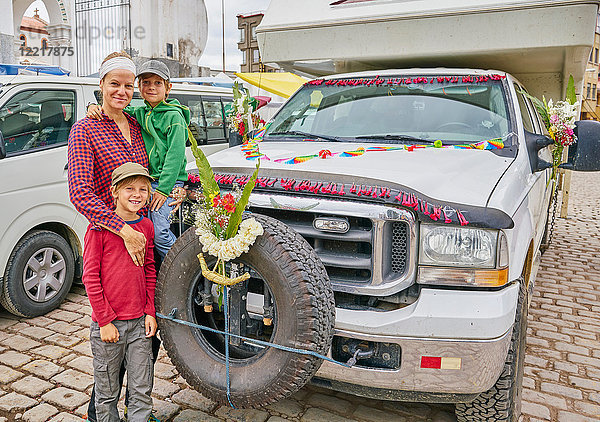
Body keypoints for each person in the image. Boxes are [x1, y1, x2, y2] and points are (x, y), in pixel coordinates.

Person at [67, 51, 162, 422]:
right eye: (114, 84)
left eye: (127, 85)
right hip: (110, 237)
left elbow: (148, 171)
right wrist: (122, 229)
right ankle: (100, 412)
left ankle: (137, 406)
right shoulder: (85, 128)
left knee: (143, 332)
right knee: (112, 341)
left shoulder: (136, 125)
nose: (121, 91)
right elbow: (81, 193)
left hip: (142, 231)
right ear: (101, 86)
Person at [87, 59, 189, 261]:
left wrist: (165, 188)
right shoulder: (140, 114)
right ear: (139, 87)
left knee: (160, 234)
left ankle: (181, 268)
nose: (151, 87)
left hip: (164, 184)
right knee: (152, 232)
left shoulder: (174, 117)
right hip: (149, 186)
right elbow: (116, 110)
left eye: (158, 83)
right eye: (145, 83)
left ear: (168, 88)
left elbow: (175, 156)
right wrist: (92, 106)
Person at [83, 162, 157, 422]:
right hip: (109, 326)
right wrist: (104, 320)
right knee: (107, 391)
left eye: (143, 189)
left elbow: (149, 269)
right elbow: (90, 277)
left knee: (141, 388)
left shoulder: (146, 226)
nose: (137, 194)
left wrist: (150, 312)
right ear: (114, 191)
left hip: (139, 325)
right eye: (129, 188)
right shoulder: (98, 229)